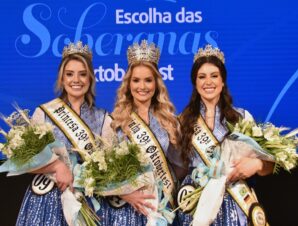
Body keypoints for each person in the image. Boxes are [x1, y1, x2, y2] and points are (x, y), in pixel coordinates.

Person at [16, 41, 113, 225]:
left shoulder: (104, 119)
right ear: (62, 78)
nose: (76, 80)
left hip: (87, 203)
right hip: (47, 202)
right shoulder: (44, 113)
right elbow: (24, 161)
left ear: (91, 78)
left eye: (82, 74)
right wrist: (56, 167)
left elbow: (108, 170)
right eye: (69, 74)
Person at [177, 45, 274, 226]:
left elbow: (268, 164)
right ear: (195, 83)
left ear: (223, 81)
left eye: (214, 75)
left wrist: (257, 163)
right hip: (198, 205)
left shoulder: (242, 118)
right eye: (202, 77)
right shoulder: (182, 122)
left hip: (235, 202)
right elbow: (177, 168)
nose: (208, 82)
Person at [98, 40, 186, 225]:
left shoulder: (169, 120)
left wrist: (162, 189)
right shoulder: (116, 122)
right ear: (128, 84)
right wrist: (128, 192)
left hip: (161, 206)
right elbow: (103, 172)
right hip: (128, 207)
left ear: (156, 83)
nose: (142, 87)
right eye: (136, 80)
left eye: (148, 80)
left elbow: (180, 168)